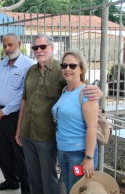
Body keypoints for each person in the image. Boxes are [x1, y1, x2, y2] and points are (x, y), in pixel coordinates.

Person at [15, 34, 102, 194]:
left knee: (50, 180)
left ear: (52, 48)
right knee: (33, 178)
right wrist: (19, 129)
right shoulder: (31, 71)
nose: (39, 50)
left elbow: (83, 86)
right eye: (35, 47)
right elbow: (24, 102)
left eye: (43, 47)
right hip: (28, 134)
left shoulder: (61, 71)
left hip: (47, 137)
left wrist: (98, 91)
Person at [0, 33, 35, 194]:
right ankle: (11, 180)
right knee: (3, 151)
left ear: (19, 44)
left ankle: (26, 187)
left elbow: (24, 93)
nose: (7, 49)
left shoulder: (28, 65)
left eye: (10, 45)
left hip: (15, 115)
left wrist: (5, 111)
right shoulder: (1, 65)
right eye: (5, 45)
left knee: (19, 153)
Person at [51, 51, 98, 193]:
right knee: (70, 189)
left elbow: (92, 127)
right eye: (64, 65)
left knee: (78, 190)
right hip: (63, 150)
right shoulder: (66, 90)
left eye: (72, 65)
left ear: (81, 69)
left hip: (79, 153)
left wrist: (88, 158)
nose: (67, 69)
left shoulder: (87, 93)